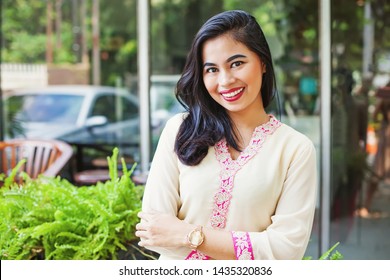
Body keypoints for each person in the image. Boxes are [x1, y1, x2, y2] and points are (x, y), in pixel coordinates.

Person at [135, 10, 317, 260]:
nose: (225, 81)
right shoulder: (179, 131)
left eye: (237, 63)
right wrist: (252, 247)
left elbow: (286, 250)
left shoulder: (295, 149)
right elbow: (154, 234)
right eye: (211, 69)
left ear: (263, 63)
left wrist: (189, 235)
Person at [357, 83, 390, 218]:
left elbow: (375, 115)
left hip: (386, 137)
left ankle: (366, 205)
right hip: (386, 138)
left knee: (377, 173)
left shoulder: (384, 99)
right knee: (378, 172)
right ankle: (366, 206)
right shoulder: (385, 98)